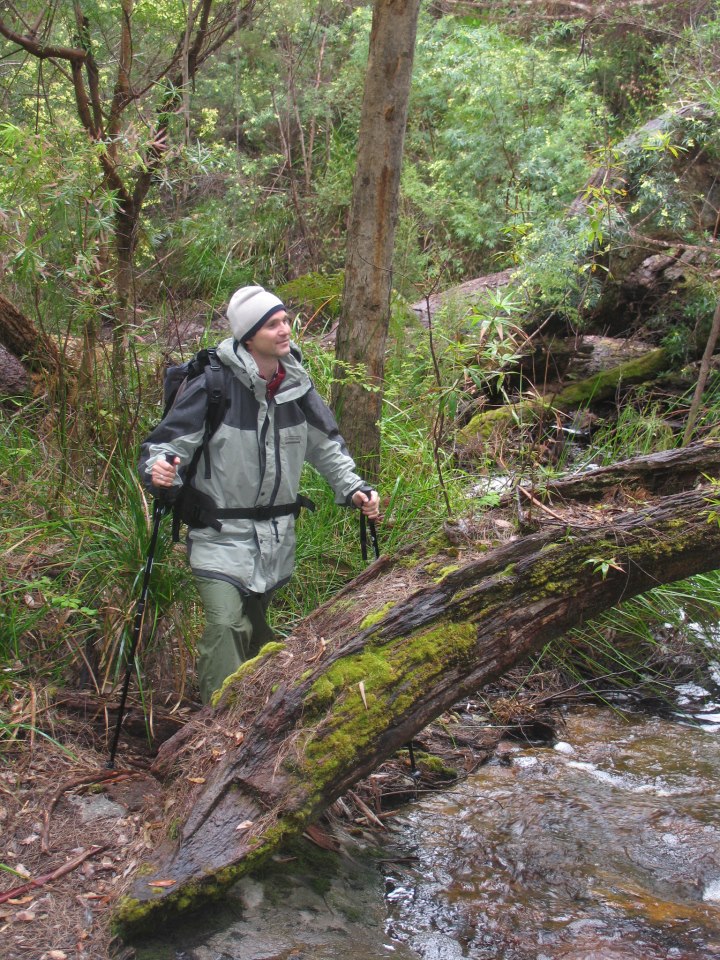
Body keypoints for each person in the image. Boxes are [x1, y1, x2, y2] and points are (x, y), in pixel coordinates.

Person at [139, 285, 380, 704]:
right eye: (273, 324)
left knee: (256, 630)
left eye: (286, 320)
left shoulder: (297, 387)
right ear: (249, 335)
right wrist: (159, 468)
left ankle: (251, 717)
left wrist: (356, 489)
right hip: (217, 534)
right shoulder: (212, 386)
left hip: (275, 539)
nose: (285, 329)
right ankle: (215, 727)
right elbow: (167, 446)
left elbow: (326, 448)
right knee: (226, 624)